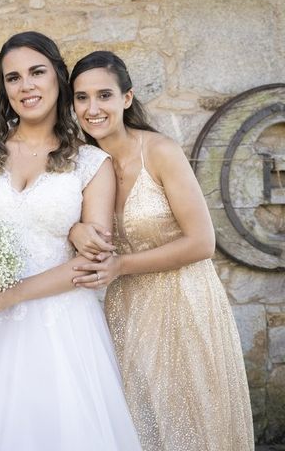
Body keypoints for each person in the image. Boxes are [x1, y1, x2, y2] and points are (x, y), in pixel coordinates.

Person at [0, 32, 141, 451]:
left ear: (58, 77)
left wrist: (12, 295)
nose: (26, 86)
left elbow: (90, 264)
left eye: (37, 72)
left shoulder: (92, 162)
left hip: (62, 329)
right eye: (13, 78)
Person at [68, 50, 254, 450]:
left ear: (127, 99)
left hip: (185, 303)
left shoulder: (159, 151)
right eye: (81, 98)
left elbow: (203, 242)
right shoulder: (80, 164)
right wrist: (75, 227)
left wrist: (121, 265)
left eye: (104, 95)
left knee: (194, 425)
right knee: (136, 424)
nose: (92, 108)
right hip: (126, 312)